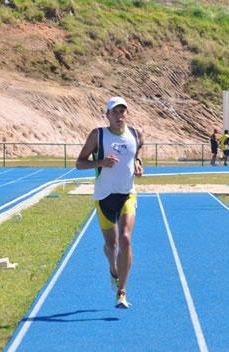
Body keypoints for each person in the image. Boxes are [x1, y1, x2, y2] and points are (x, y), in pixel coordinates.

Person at [76, 96, 144, 309]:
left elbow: (137, 152)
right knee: (111, 245)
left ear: (127, 114)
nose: (119, 116)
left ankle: (121, 292)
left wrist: (139, 163)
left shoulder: (135, 134)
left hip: (127, 194)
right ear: (107, 115)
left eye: (122, 111)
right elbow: (79, 163)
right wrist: (101, 162)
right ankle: (113, 268)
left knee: (125, 239)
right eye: (115, 112)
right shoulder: (98, 135)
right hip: (104, 197)